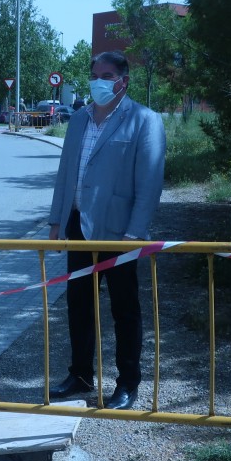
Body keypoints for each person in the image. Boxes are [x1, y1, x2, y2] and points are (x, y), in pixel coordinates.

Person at [47, 51, 166, 410]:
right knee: (79, 304)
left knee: (124, 309)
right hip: (79, 227)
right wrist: (56, 222)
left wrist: (136, 231)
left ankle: (128, 383)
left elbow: (150, 182)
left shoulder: (144, 120)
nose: (100, 81)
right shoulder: (79, 119)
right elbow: (66, 173)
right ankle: (81, 373)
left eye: (108, 75)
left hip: (119, 233)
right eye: (95, 74)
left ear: (123, 81)